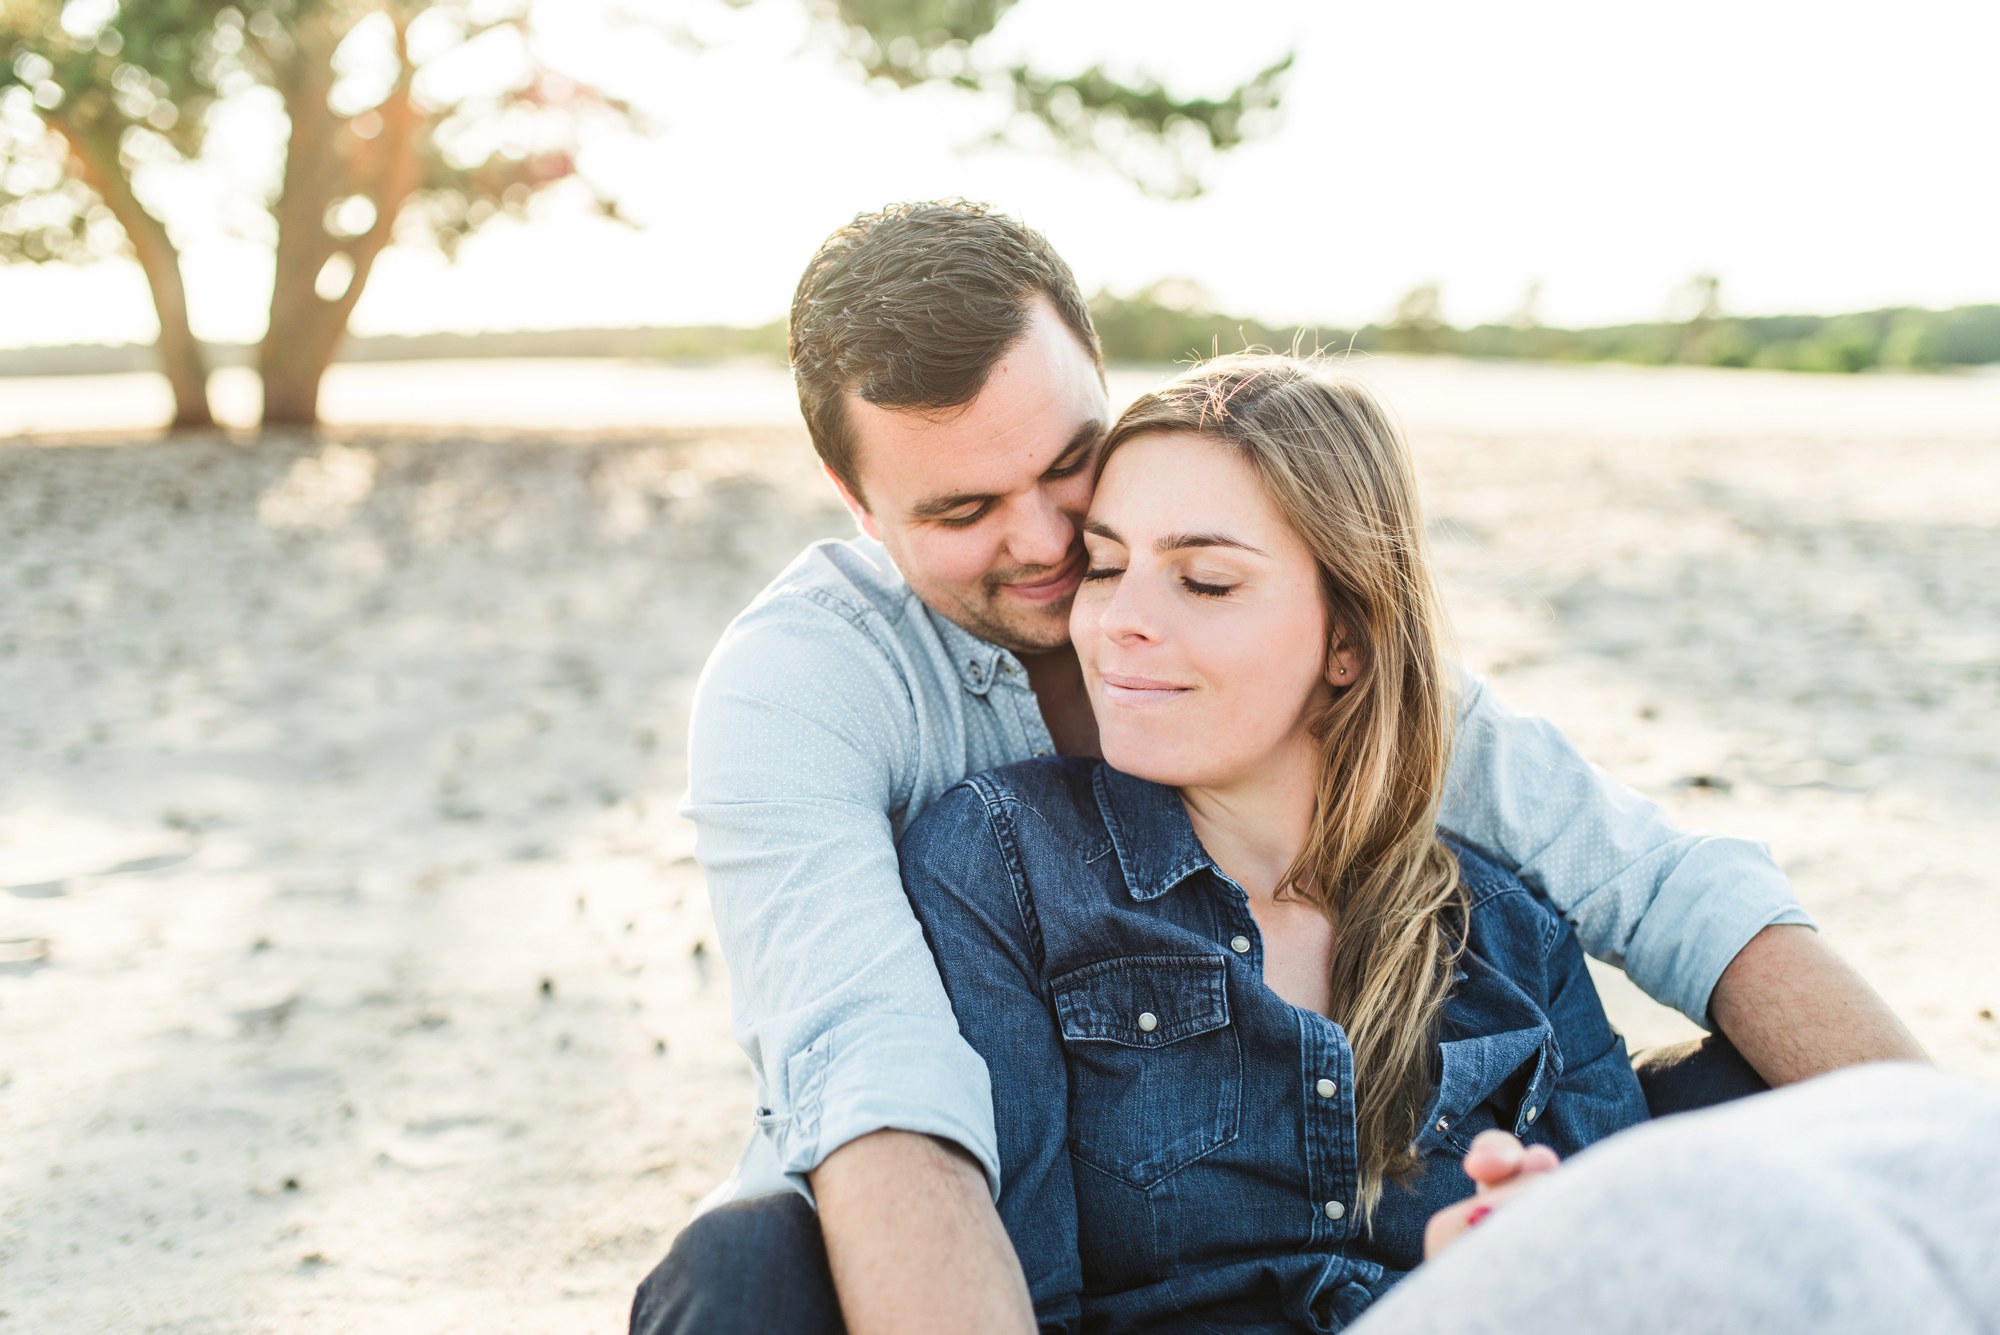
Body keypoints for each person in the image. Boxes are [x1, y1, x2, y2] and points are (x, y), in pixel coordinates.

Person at [630, 200, 1923, 1335]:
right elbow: (880, 1081)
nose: (1052, 547)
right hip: (926, 1200)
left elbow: (1656, 880)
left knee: (1788, 1126)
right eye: (961, 511)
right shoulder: (813, 698)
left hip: (1384, 1189)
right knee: (746, 1275)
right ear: (856, 502)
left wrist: (1944, 1160)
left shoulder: (1290, 601)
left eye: (1069, 465)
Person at [895, 354, 1656, 1329]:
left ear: (1347, 640)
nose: (1119, 621)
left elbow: (1646, 1288)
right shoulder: (1005, 863)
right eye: (1105, 564)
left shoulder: (1509, 933)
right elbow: (1010, 1300)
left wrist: (1516, 1284)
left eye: (1204, 582)